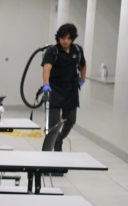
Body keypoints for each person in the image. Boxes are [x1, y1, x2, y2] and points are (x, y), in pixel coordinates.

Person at [41, 23, 86, 153]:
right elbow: (46, 68)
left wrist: (82, 79)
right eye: (63, 38)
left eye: (68, 38)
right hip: (54, 90)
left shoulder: (77, 50)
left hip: (71, 90)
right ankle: (55, 147)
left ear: (72, 38)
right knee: (54, 124)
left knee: (71, 120)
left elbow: (83, 65)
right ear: (59, 38)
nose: (65, 41)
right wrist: (46, 84)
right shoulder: (53, 51)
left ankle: (59, 139)